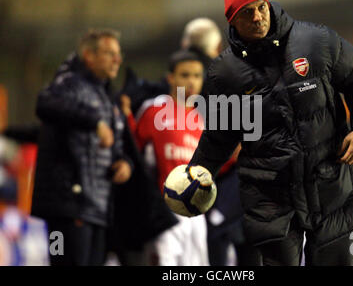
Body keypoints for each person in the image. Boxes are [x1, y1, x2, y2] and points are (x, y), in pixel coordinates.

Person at [184, 0, 353, 266]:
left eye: (260, 7)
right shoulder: (224, 72)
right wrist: (196, 174)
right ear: (232, 20)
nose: (257, 17)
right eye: (246, 13)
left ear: (268, 5)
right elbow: (220, 135)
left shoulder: (317, 41)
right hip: (269, 194)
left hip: (330, 183)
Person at [31, 29, 133, 266]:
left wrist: (124, 163)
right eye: (110, 53)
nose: (117, 59)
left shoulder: (106, 95)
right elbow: (45, 103)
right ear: (89, 55)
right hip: (70, 205)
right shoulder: (69, 82)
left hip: (97, 207)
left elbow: (115, 146)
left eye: (118, 54)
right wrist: (94, 122)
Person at [181, 17, 260, 266]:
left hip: (202, 174)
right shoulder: (232, 74)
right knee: (244, 239)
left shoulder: (173, 85)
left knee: (215, 236)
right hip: (238, 173)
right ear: (216, 47)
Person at [133, 50, 209, 266]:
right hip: (163, 209)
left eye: (197, 75)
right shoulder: (154, 110)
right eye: (185, 75)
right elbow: (133, 153)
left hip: (196, 213)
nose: (192, 81)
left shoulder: (204, 118)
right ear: (170, 78)